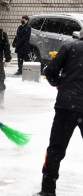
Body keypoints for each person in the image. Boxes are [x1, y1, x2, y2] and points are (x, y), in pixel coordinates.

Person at [33, 30, 83, 196]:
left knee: (56, 149)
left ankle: (48, 190)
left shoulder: (69, 46)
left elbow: (50, 71)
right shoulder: (71, 47)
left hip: (66, 106)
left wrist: (62, 83)